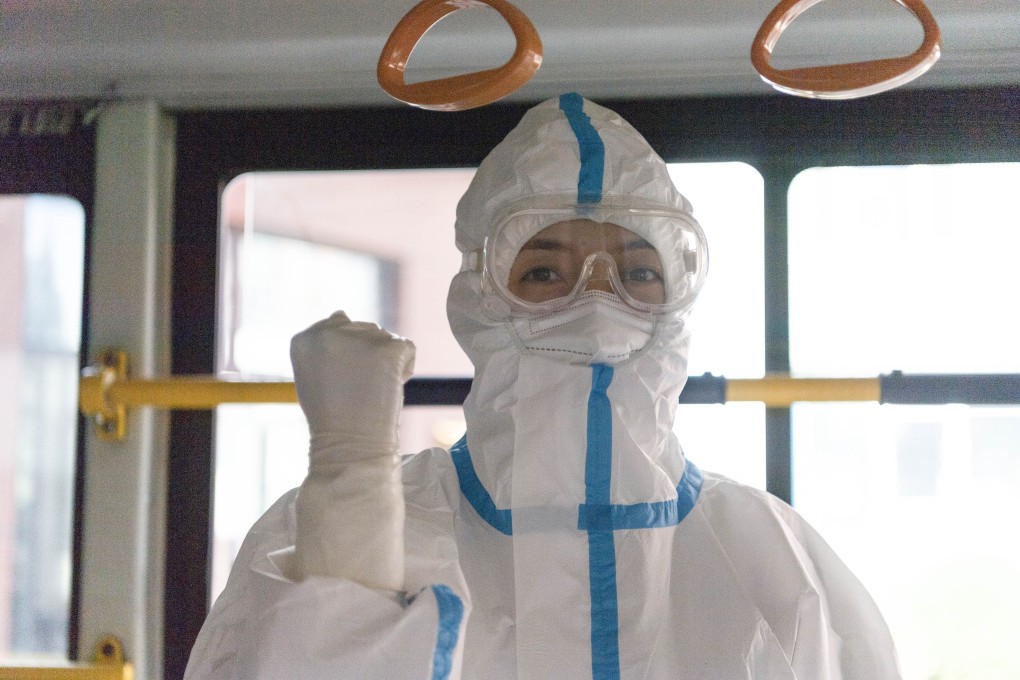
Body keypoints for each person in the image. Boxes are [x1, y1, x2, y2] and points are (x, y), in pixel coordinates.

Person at [184, 93, 901, 679]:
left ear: (678, 298)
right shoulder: (350, 529)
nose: (597, 301)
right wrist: (350, 476)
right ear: (479, 297)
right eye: (545, 272)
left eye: (637, 272)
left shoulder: (775, 559)